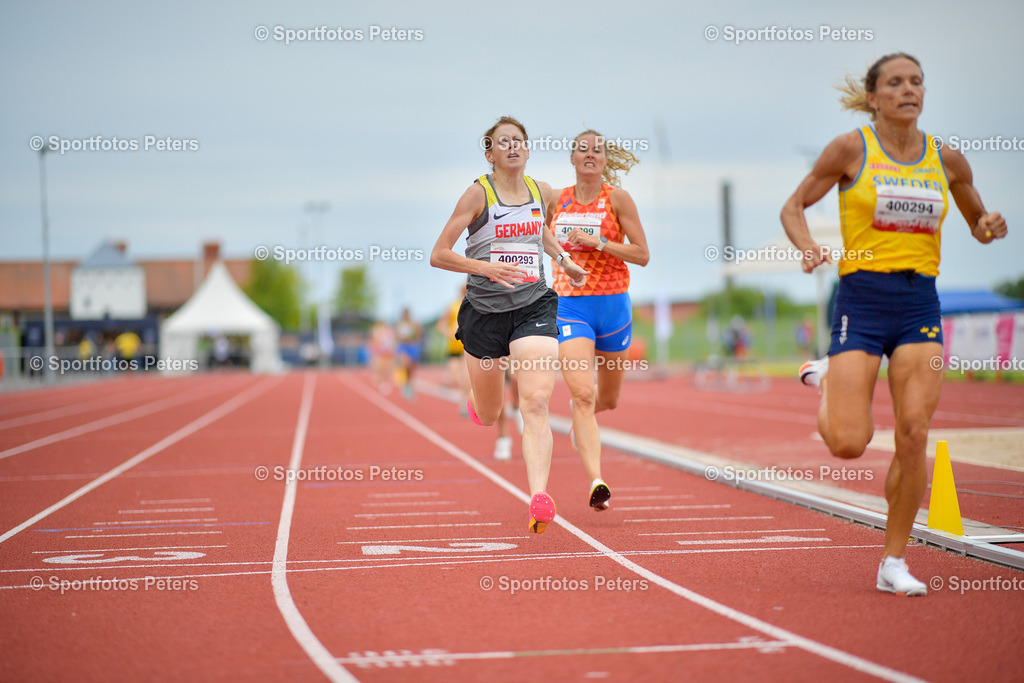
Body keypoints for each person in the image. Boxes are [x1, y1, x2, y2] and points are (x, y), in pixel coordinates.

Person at [780, 53, 1008, 596]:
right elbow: (793, 207)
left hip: (919, 304)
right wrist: (809, 247)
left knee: (913, 433)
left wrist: (989, 225)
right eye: (896, 83)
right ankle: (829, 378)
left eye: (917, 82)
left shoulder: (946, 159)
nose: (909, 90)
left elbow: (978, 223)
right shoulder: (850, 149)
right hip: (861, 299)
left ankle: (893, 560)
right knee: (849, 443)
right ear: (875, 97)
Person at [430, 115, 589, 533]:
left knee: (535, 402)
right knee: (489, 411)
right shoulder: (476, 196)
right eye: (504, 142)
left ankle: (539, 495)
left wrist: (564, 261)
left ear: (528, 148)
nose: (514, 147)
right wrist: (487, 268)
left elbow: (541, 235)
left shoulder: (544, 191)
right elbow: (439, 254)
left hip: (533, 305)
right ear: (490, 153)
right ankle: (480, 408)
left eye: (519, 140)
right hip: (484, 313)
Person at [548, 129, 649, 511]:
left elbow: (642, 254)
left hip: (613, 306)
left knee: (608, 398)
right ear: (573, 159)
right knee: (583, 393)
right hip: (571, 305)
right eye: (583, 150)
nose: (590, 155)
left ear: (606, 160)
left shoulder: (618, 199)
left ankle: (581, 423)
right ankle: (596, 480)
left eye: (598, 151)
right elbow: (528, 216)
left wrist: (600, 243)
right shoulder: (557, 199)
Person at [437, 283, 471, 416]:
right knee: (455, 378)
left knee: (466, 378)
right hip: (453, 347)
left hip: (467, 346)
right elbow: (441, 324)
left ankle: (464, 403)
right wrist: (447, 332)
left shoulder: (474, 305)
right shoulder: (452, 306)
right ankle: (462, 396)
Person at [395, 308, 422, 401]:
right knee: (405, 364)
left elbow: (418, 335)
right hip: (403, 347)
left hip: (412, 346)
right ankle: (405, 384)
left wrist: (415, 337)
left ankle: (409, 385)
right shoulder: (400, 324)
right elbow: (397, 336)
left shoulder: (413, 324)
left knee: (411, 369)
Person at [367, 320, 397, 395]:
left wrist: (392, 349)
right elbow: (373, 341)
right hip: (379, 352)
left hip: (388, 353)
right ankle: (381, 381)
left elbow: (393, 341)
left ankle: (384, 381)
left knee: (387, 368)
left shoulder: (389, 331)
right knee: (380, 367)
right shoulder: (376, 331)